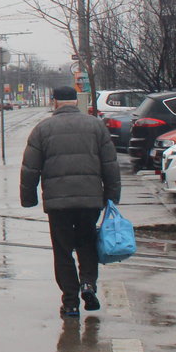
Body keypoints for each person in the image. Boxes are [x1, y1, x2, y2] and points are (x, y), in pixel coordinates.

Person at [20, 86, 121, 318]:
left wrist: (29, 198)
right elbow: (110, 164)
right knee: (87, 243)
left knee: (63, 250)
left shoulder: (43, 129)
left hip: (58, 203)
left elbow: (29, 168)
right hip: (90, 200)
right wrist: (112, 196)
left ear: (54, 102)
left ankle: (71, 302)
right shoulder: (96, 126)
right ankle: (88, 284)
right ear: (76, 101)